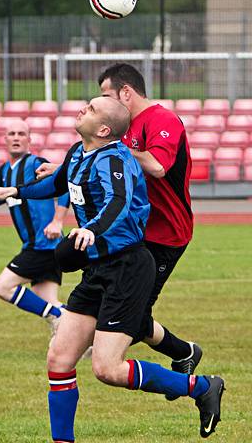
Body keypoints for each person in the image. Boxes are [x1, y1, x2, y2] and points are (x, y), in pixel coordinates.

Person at [0, 97, 224, 442]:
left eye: (91, 109)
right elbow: (57, 183)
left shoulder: (115, 158)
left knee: (107, 369)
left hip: (128, 268)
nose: (83, 110)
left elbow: (119, 201)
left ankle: (202, 387)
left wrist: (91, 229)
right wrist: (13, 190)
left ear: (104, 129)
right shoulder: (79, 152)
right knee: (60, 357)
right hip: (98, 268)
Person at [98, 63, 200, 381]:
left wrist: (116, 149)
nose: (103, 101)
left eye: (106, 94)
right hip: (136, 232)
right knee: (113, 298)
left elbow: (156, 166)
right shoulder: (124, 125)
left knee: (135, 312)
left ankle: (184, 355)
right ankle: (182, 353)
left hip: (167, 233)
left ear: (125, 92)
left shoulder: (162, 119)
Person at [0, 119, 69, 328]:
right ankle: (82, 335)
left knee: (3, 287)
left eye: (21, 134)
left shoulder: (36, 163)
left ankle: (60, 318)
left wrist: (58, 221)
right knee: (49, 302)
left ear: (29, 139)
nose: (16, 138)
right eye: (12, 134)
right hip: (38, 246)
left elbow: (66, 186)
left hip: (43, 245)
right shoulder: (5, 171)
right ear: (4, 139)